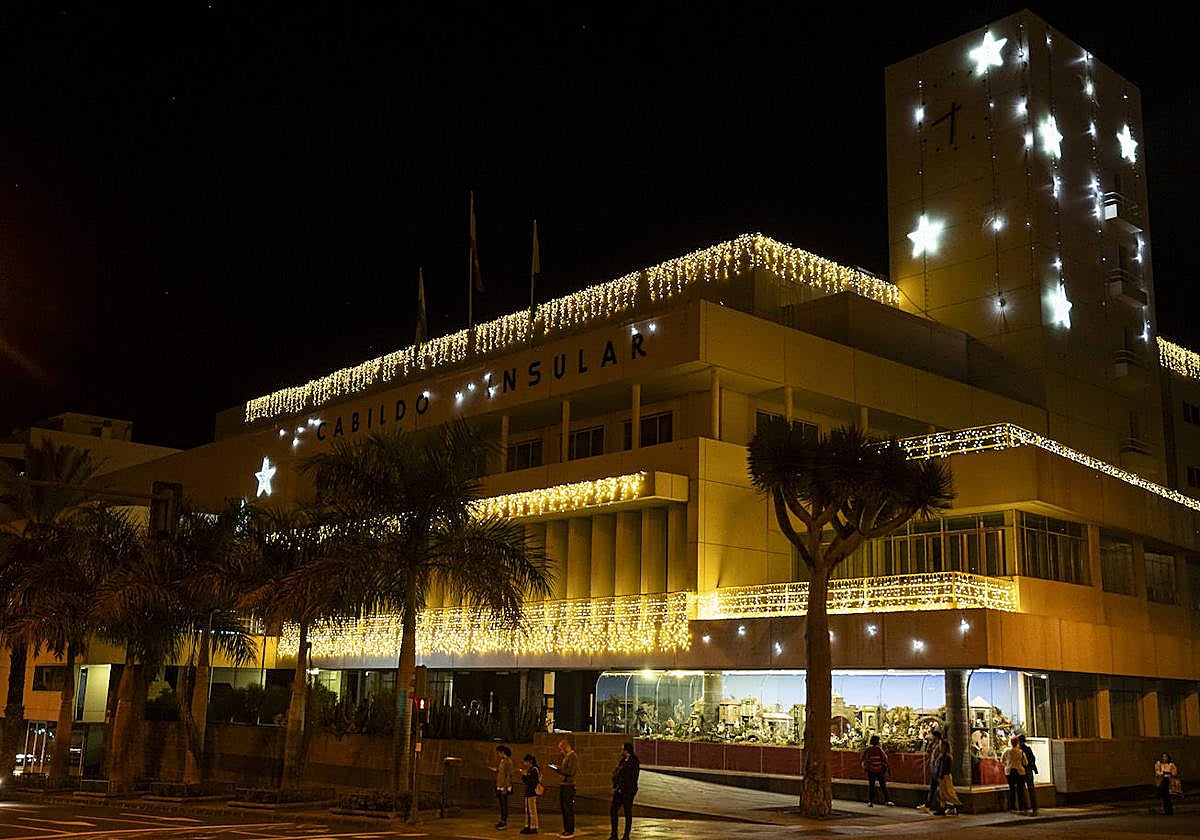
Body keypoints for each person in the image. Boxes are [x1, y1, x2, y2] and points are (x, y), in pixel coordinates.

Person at [609, 741, 640, 840]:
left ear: (626, 751)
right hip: (619, 790)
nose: (621, 751)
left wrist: (627, 788)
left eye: (622, 749)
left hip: (627, 791)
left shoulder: (633, 761)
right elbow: (618, 772)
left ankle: (626, 836)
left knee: (627, 813)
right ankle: (614, 834)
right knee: (613, 810)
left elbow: (632, 777)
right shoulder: (623, 760)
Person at [549, 738, 579, 838]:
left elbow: (570, 771)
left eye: (562, 749)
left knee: (568, 808)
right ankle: (566, 828)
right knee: (564, 807)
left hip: (569, 785)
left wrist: (559, 768)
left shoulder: (573, 757)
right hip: (564, 784)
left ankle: (570, 829)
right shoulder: (566, 757)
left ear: (566, 747)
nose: (561, 751)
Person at [860, 735, 893, 807]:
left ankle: (870, 801)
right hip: (879, 769)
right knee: (883, 785)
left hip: (871, 770)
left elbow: (863, 758)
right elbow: (885, 758)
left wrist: (865, 767)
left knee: (871, 785)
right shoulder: (879, 749)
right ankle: (887, 800)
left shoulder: (867, 749)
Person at [933, 739, 962, 816]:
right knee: (942, 793)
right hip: (944, 776)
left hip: (945, 776)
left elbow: (943, 767)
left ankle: (956, 804)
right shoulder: (944, 756)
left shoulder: (946, 757)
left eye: (941, 745)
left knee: (947, 793)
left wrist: (940, 775)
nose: (939, 746)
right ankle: (943, 808)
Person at [916, 730, 942, 813]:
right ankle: (928, 805)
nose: (931, 737)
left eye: (932, 736)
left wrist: (938, 769)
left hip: (938, 770)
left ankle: (946, 806)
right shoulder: (934, 745)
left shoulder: (940, 745)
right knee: (933, 788)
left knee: (941, 790)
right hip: (934, 769)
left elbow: (939, 758)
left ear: (936, 737)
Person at [489, 744, 515, 829]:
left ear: (502, 752)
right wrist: (495, 769)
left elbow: (509, 775)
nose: (498, 754)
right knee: (501, 804)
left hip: (504, 786)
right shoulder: (502, 761)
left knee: (504, 804)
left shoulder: (508, 761)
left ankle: (504, 821)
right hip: (500, 785)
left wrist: (506, 787)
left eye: (499, 752)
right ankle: (502, 820)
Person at [1001, 736, 1028, 814]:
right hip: (1020, 771)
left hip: (1009, 772)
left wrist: (1007, 764)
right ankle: (1021, 807)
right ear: (1017, 743)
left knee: (1012, 789)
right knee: (1020, 790)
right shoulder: (1021, 752)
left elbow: (1002, 760)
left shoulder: (1007, 751)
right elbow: (1025, 762)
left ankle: (1012, 807)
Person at [1017, 735, 1039, 816]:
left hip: (1022, 770)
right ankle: (1034, 808)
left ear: (1019, 741)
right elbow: (1033, 758)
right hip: (1029, 770)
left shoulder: (1019, 750)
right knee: (1031, 789)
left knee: (1022, 789)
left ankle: (1025, 808)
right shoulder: (1028, 749)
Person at [521, 753, 541, 835]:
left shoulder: (534, 770)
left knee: (532, 811)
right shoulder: (530, 770)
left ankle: (533, 827)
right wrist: (524, 775)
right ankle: (527, 826)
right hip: (528, 792)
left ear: (530, 761)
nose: (525, 764)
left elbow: (533, 782)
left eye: (526, 762)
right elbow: (525, 781)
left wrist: (526, 775)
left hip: (532, 792)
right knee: (527, 810)